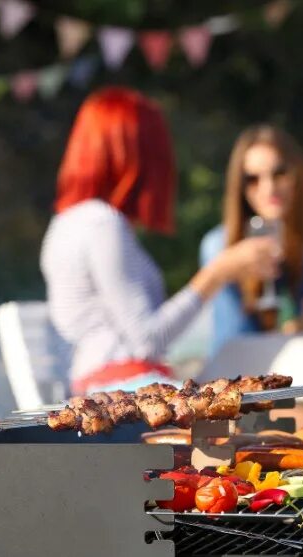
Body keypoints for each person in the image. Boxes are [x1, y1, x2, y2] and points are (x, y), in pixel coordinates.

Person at [41, 87, 279, 394]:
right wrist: (218, 272)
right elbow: (147, 340)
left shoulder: (67, 222)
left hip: (103, 386)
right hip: (121, 388)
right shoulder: (103, 224)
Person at [200, 125, 303, 354]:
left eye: (280, 173)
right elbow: (235, 342)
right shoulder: (220, 246)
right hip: (239, 378)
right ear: (240, 186)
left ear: (298, 175)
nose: (269, 188)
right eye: (253, 179)